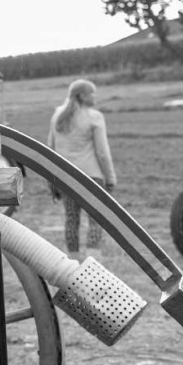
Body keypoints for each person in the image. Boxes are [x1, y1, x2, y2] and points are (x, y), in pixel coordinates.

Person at [46, 79, 116, 255]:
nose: (95, 96)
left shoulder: (57, 116)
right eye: (92, 93)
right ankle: (93, 266)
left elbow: (50, 149)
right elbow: (102, 152)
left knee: (71, 220)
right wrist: (110, 177)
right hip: (91, 176)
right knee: (96, 220)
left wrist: (52, 180)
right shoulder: (95, 117)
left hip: (65, 177)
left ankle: (74, 262)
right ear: (82, 96)